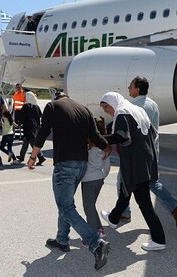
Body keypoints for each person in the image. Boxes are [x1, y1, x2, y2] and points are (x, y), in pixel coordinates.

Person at [28, 92, 112, 271]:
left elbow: (43, 132)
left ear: (57, 98)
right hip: (82, 165)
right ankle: (62, 240)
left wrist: (33, 156)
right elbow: (95, 135)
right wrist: (106, 146)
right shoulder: (83, 110)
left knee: (65, 206)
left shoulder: (52, 106)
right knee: (66, 203)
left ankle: (96, 243)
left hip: (65, 164)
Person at [99, 92, 167, 252]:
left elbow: (121, 137)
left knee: (143, 201)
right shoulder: (137, 110)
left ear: (112, 102)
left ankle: (159, 239)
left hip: (136, 163)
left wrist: (99, 139)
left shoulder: (122, 113)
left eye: (106, 107)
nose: (106, 111)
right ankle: (114, 218)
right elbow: (153, 132)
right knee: (126, 189)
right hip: (145, 158)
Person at [123, 76, 177, 229]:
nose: (128, 88)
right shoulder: (153, 105)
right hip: (153, 151)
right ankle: (175, 207)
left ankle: (124, 212)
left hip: (138, 155)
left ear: (137, 89)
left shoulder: (134, 107)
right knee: (152, 182)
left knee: (124, 181)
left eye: (131, 86)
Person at [81, 116, 111, 239]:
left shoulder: (89, 150)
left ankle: (93, 234)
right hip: (99, 179)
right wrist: (102, 176)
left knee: (88, 207)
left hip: (88, 180)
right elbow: (107, 166)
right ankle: (99, 229)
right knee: (91, 205)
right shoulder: (104, 149)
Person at [16, 91, 46, 164]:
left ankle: (41, 156)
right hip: (35, 127)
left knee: (32, 143)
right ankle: (21, 156)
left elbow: (22, 117)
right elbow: (40, 115)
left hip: (28, 127)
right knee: (26, 142)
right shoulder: (36, 106)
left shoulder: (25, 107)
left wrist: (19, 123)